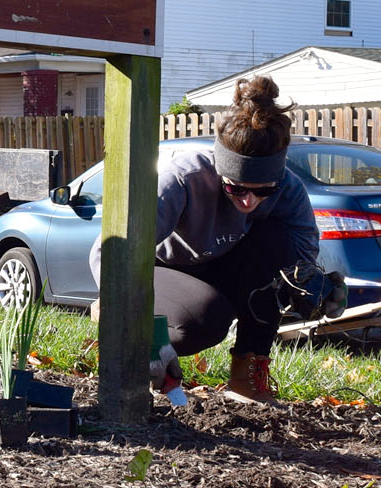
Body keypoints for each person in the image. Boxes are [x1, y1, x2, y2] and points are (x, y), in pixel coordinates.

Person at [92, 76, 345, 404]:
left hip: (218, 266)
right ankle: (118, 328)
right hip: (159, 270)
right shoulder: (182, 180)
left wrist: (314, 287)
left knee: (278, 249)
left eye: (262, 191)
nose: (247, 202)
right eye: (236, 188)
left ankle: (246, 380)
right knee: (205, 321)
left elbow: (300, 255)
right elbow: (109, 253)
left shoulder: (288, 188)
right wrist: (148, 335)